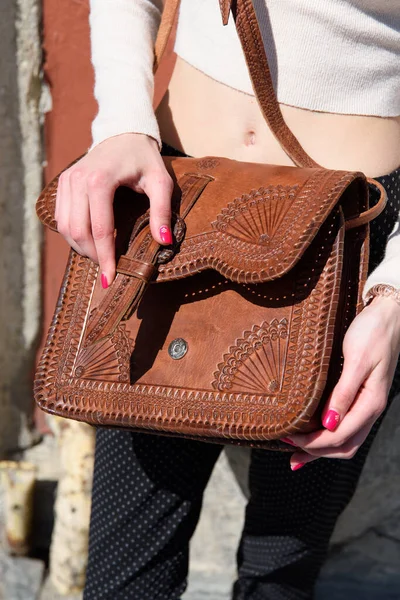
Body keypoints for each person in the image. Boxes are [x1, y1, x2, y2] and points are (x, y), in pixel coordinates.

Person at [55, 1, 400, 598]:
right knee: (123, 582)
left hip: (349, 244)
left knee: (280, 573)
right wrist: (119, 123)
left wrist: (396, 293)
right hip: (175, 211)